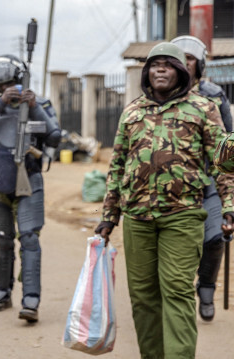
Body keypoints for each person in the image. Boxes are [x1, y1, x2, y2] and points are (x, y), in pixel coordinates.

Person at [96, 42, 234, 358]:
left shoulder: (203, 108)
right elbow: (117, 164)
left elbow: (222, 163)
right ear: (146, 72)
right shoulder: (132, 111)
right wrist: (109, 215)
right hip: (136, 218)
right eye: (155, 64)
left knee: (177, 291)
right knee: (143, 297)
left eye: (169, 64)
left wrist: (228, 206)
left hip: (183, 215)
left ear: (182, 72)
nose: (161, 68)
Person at [0, 54, 61, 321]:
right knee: (3, 237)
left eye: (10, 83)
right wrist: (1, 102)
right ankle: (1, 291)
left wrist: (33, 106)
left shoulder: (39, 103)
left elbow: (54, 135)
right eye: (1, 86)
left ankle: (30, 300)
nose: (6, 88)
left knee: (29, 238)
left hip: (29, 180)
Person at [171, 35, 234, 322]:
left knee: (215, 236)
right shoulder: (160, 95)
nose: (185, 62)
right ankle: (174, 293)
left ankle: (206, 288)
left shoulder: (215, 95)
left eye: (191, 58)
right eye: (179, 57)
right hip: (173, 185)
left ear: (200, 64)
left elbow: (227, 145)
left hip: (209, 182)